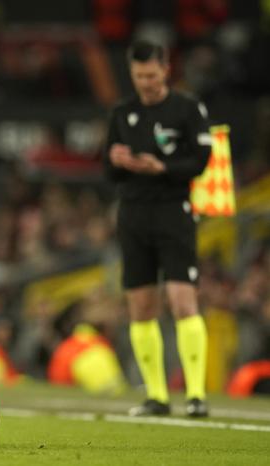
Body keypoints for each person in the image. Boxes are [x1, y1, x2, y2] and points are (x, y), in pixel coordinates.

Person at [104, 40, 211, 417]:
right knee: (141, 306)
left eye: (151, 75)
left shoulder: (187, 108)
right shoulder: (123, 112)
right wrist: (117, 160)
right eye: (139, 76)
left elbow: (201, 160)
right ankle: (157, 396)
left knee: (182, 300)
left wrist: (162, 167)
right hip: (133, 213)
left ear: (165, 70)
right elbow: (108, 170)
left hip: (173, 210)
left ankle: (196, 395)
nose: (146, 83)